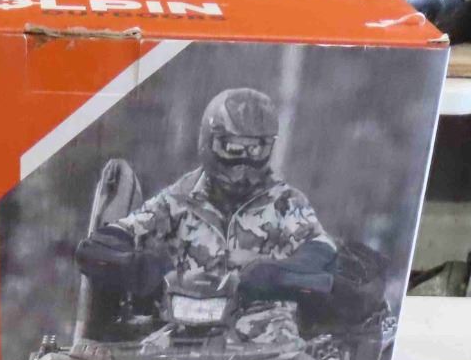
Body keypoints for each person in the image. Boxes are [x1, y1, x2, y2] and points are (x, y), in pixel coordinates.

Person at [75, 88, 337, 338]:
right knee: (136, 352)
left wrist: (274, 274)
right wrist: (143, 269)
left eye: (256, 148)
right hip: (180, 327)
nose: (244, 160)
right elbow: (109, 240)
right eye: (233, 148)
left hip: (264, 332)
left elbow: (321, 250)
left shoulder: (286, 202)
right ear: (209, 141)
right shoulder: (178, 199)